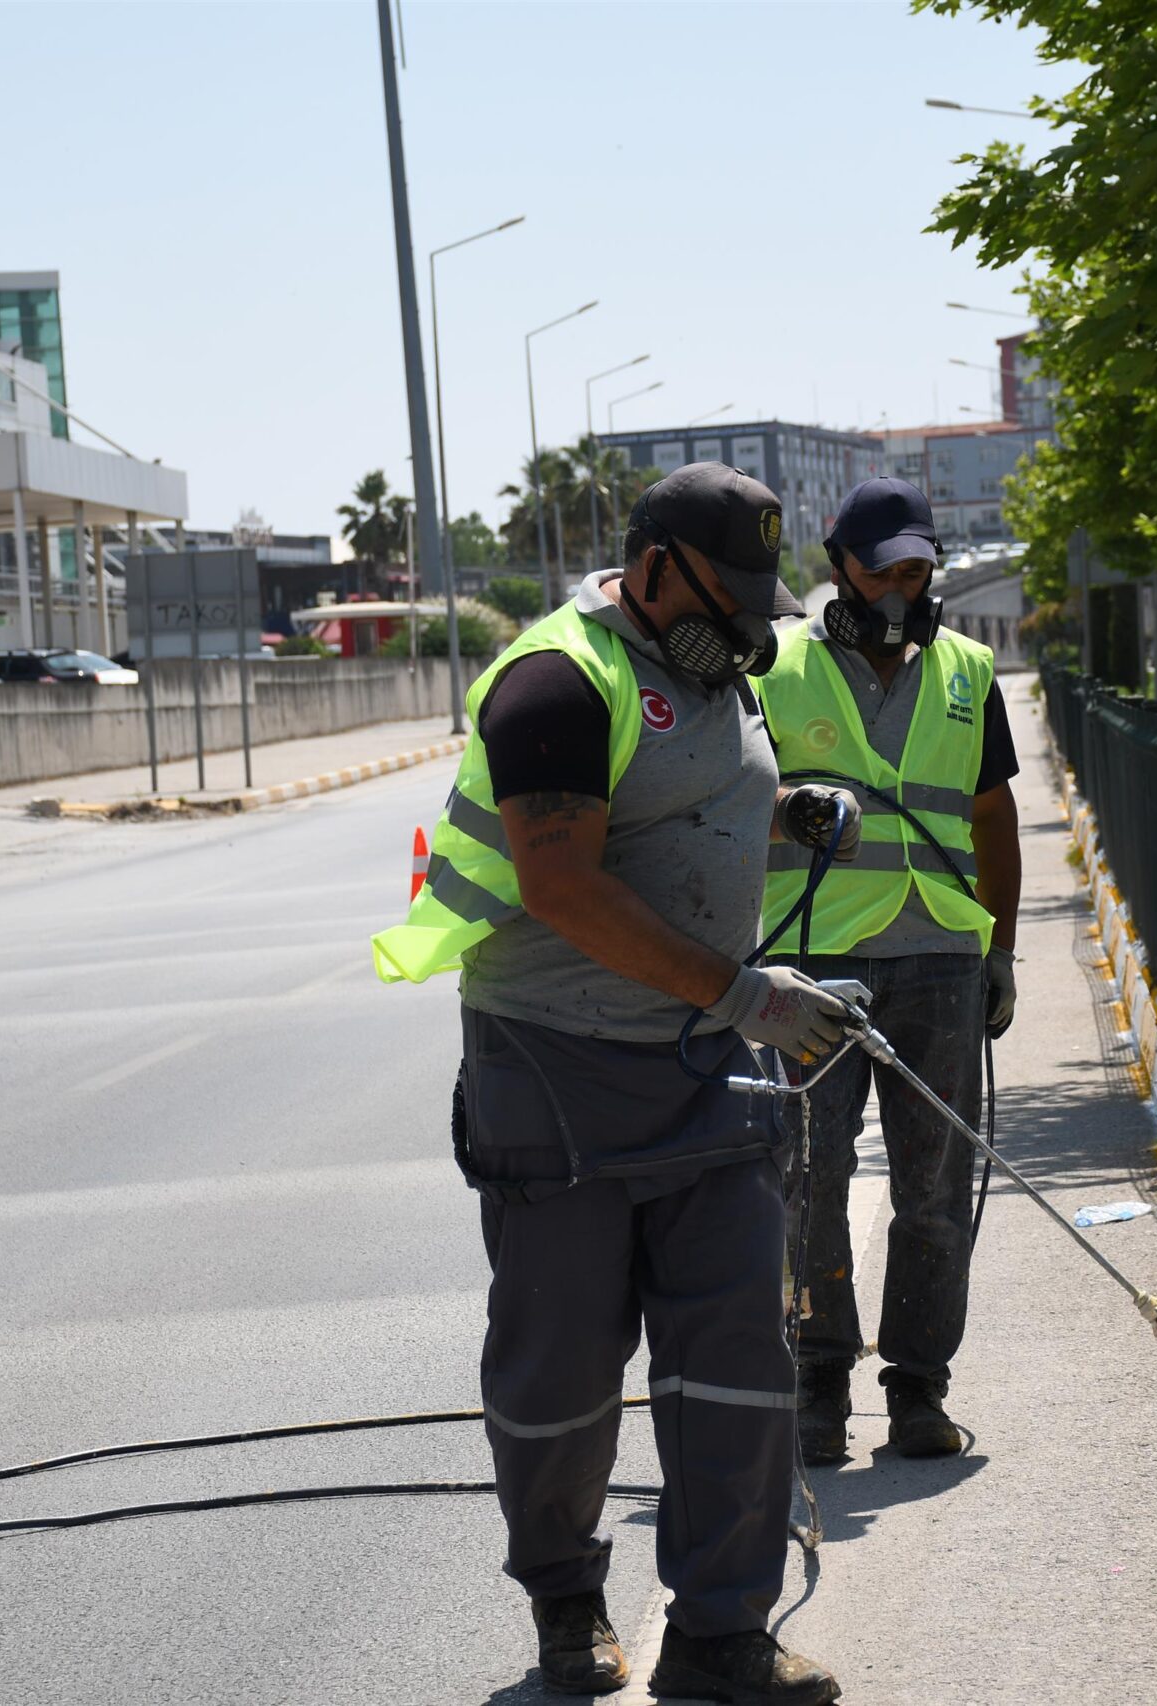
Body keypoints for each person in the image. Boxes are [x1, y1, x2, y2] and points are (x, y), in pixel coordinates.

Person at [373, 464, 852, 1704]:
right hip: (558, 1065)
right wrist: (743, 993)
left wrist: (785, 812)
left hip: (705, 1064)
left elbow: (674, 801)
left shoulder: (715, 665)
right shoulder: (553, 681)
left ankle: (719, 1632)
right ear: (650, 569)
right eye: (723, 593)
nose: (743, 622)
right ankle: (565, 1601)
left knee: (737, 1351)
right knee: (563, 1366)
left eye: (754, 598)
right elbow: (564, 882)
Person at [752, 476, 1022, 1467]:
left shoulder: (967, 671)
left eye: (917, 571)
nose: (902, 589)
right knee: (806, 1179)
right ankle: (817, 1385)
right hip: (811, 962)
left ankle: (918, 1388)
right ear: (839, 566)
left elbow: (991, 817)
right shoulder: (773, 666)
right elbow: (726, 800)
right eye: (883, 572)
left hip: (939, 959)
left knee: (935, 1186)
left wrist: (999, 949)